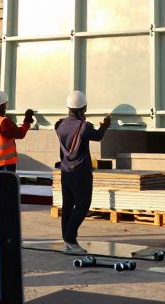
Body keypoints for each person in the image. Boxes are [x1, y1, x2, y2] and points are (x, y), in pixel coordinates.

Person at [54, 90, 113, 254]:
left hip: (66, 172)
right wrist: (105, 124)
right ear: (84, 108)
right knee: (82, 205)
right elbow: (98, 136)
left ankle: (67, 240)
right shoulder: (84, 127)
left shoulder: (59, 125)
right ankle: (71, 239)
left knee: (67, 206)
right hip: (81, 173)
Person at [0, 89, 34, 172]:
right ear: (1, 106)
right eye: (4, 105)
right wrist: (27, 121)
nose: (5, 107)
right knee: (7, 185)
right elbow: (20, 133)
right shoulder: (3, 122)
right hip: (4, 166)